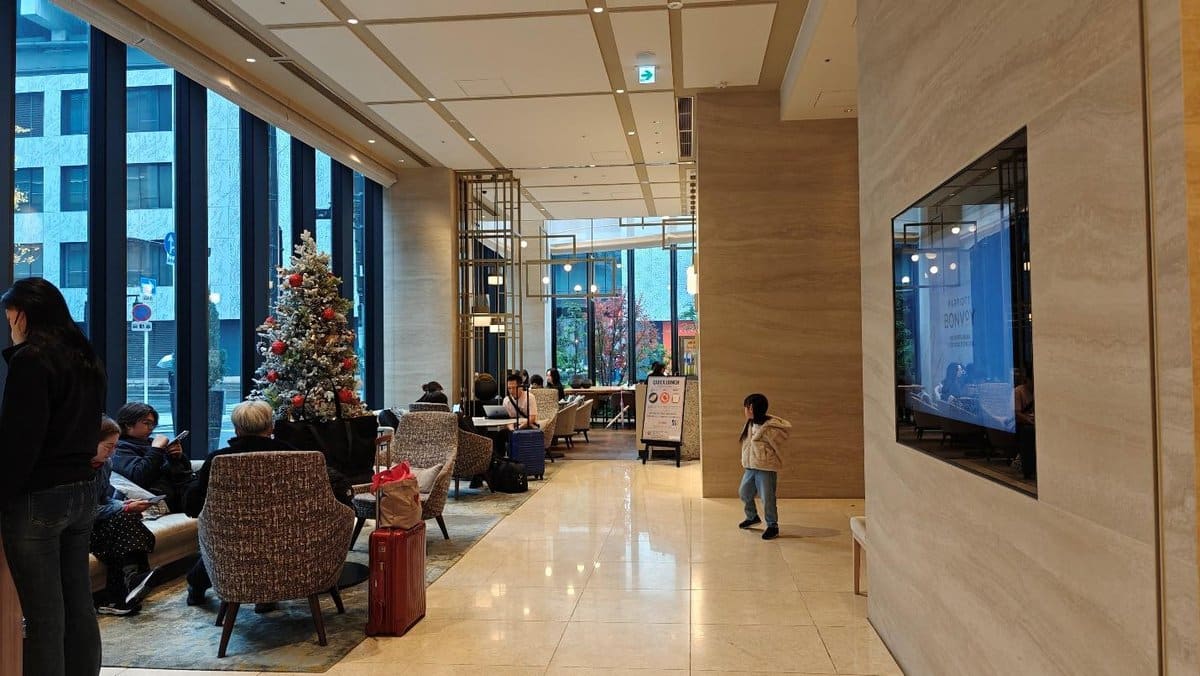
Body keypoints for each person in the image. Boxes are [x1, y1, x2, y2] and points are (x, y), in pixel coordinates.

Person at [0, 277, 106, 675]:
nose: (9, 326)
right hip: (82, 490)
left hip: (38, 496)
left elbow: (20, 441)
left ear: (23, 315)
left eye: (9, 317)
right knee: (78, 603)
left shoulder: (31, 359)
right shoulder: (85, 357)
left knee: (43, 614)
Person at [182, 400, 298, 606]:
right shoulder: (295, 457)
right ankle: (266, 594)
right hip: (284, 531)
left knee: (224, 543)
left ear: (237, 429)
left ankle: (197, 585)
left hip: (231, 533)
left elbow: (194, 504)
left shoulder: (218, 460)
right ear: (271, 427)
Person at [90, 416, 156, 616]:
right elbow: (83, 511)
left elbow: (104, 499)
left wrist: (124, 504)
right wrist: (123, 508)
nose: (112, 452)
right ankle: (130, 584)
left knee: (125, 518)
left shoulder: (105, 464)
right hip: (78, 525)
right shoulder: (76, 473)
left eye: (115, 447)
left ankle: (125, 589)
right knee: (123, 520)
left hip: (98, 521)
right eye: (108, 447)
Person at [111, 402, 193, 512]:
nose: (151, 428)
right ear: (128, 425)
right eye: (146, 423)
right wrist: (156, 450)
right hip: (153, 499)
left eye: (153, 424)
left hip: (177, 494)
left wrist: (177, 457)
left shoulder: (152, 443)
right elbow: (138, 477)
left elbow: (182, 474)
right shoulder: (120, 447)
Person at [737, 393, 792, 540]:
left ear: (751, 408)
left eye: (745, 407)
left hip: (766, 468)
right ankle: (752, 516)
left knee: (767, 498)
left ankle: (772, 525)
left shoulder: (771, 427)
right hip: (751, 466)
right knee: (744, 492)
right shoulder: (750, 423)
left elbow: (780, 443)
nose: (744, 411)